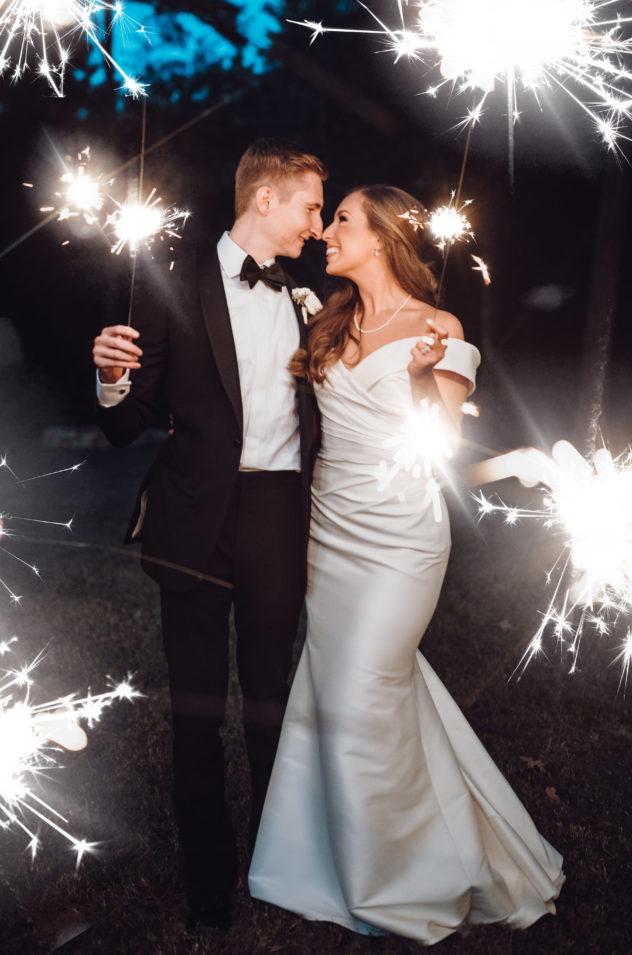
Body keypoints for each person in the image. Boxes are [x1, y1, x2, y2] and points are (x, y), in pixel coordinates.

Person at [248, 185, 564, 944]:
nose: (326, 232)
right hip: (330, 536)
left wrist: (424, 374)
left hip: (400, 541)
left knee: (364, 686)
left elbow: (442, 449)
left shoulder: (438, 328)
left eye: (343, 220)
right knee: (350, 691)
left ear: (383, 236)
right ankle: (329, 858)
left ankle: (399, 879)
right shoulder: (328, 321)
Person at [92, 139, 326, 932]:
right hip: (193, 517)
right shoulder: (172, 288)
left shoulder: (310, 300)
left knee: (271, 700)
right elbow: (125, 426)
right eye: (309, 207)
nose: (317, 225)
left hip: (276, 515)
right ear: (265, 199)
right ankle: (208, 875)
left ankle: (279, 858)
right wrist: (111, 375)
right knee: (196, 709)